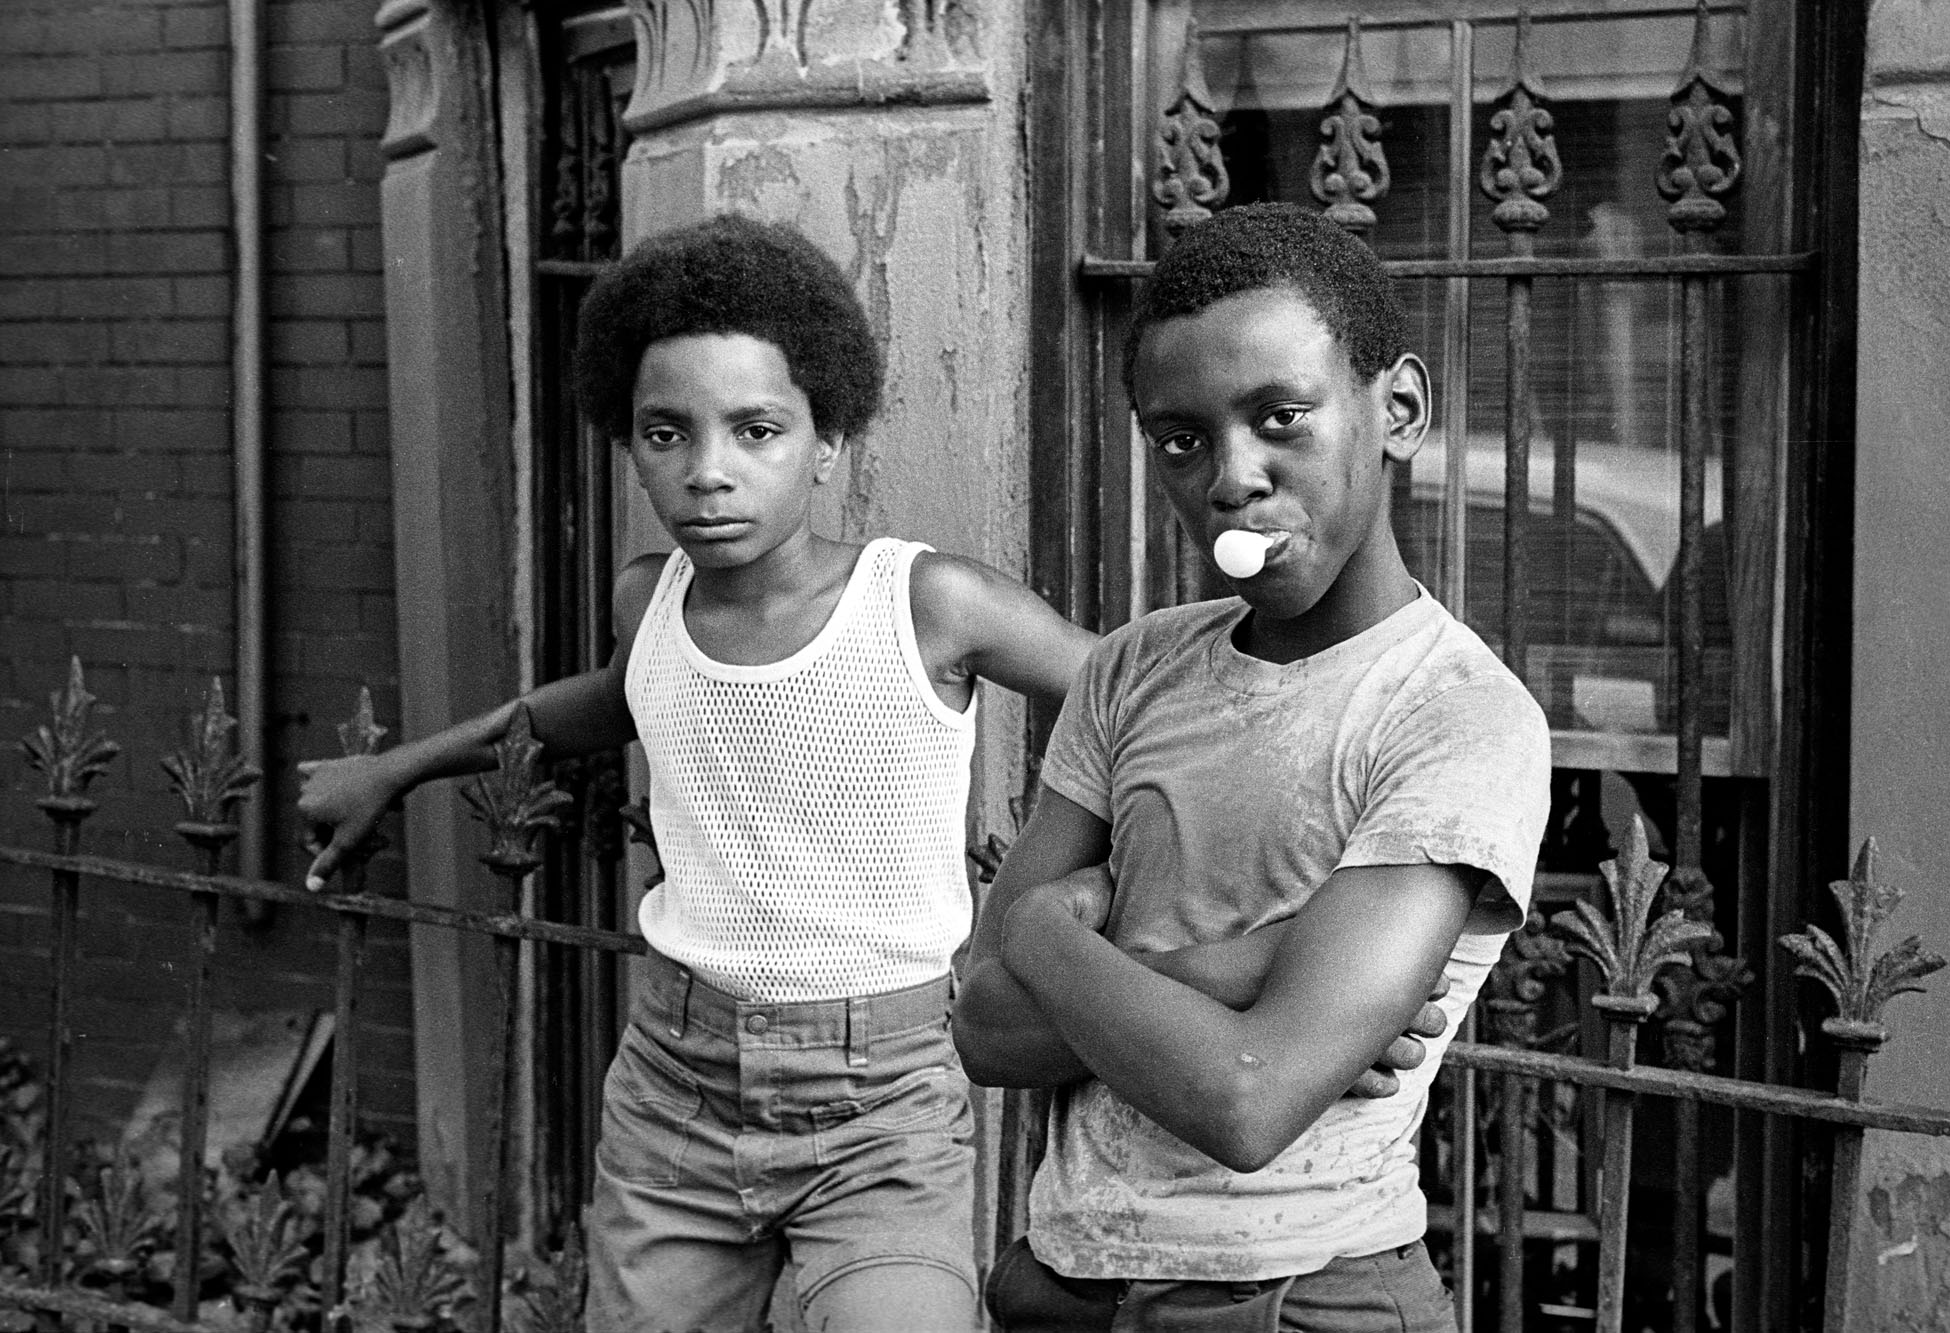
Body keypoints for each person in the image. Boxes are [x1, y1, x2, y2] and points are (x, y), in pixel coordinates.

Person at [296, 214, 1447, 1333]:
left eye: (755, 431)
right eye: (665, 433)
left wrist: (1269, 968)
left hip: (882, 1094)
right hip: (674, 1085)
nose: (708, 472)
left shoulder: (926, 603)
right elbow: (601, 704)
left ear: (827, 438)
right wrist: (393, 769)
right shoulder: (647, 600)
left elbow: (1142, 704)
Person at [951, 201, 1553, 1332]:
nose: (1231, 478)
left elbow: (1246, 1094)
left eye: (1279, 417)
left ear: (1398, 410)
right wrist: (1238, 967)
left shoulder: (1459, 716)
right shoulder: (1131, 668)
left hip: (1298, 1295)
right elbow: (984, 1028)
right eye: (1181, 440)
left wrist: (1043, 934)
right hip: (1067, 1285)